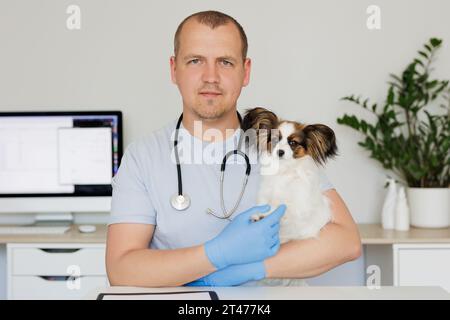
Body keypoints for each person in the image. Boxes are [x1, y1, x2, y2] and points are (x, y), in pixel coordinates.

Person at [106, 10, 361, 287]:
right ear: (174, 70)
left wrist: (254, 268)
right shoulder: (142, 157)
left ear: (245, 71)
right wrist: (216, 254)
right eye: (195, 61)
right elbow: (122, 269)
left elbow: (346, 241)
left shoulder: (277, 145)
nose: (210, 76)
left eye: (225, 62)